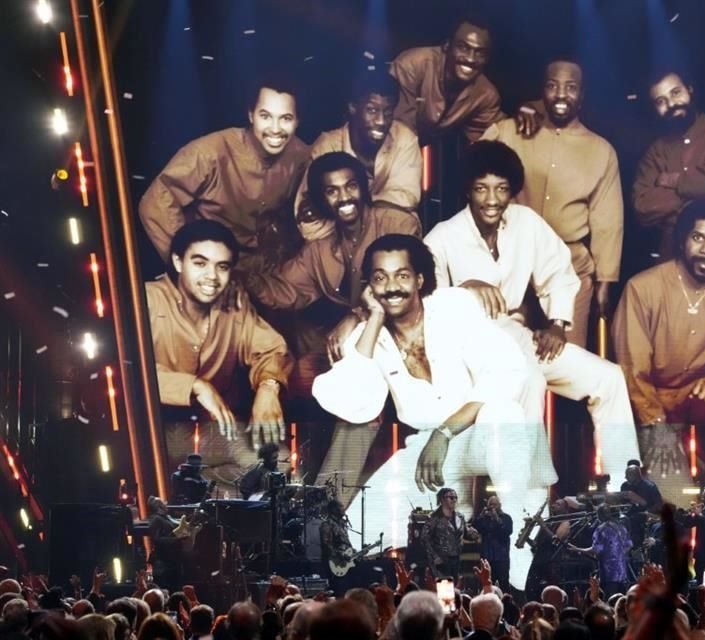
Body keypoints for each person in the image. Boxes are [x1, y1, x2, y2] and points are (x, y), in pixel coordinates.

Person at [310, 234, 556, 588]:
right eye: (380, 278)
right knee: (355, 538)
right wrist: (373, 315)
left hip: (482, 435)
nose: (392, 287)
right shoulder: (367, 336)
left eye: (402, 275)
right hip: (430, 452)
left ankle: (517, 560)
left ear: (420, 279)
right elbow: (353, 402)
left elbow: (507, 371)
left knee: (505, 413)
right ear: (369, 286)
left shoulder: (454, 306)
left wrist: (445, 433)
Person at [424, 140, 640, 477]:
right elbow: (427, 305)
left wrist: (557, 323)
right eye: (482, 189)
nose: (492, 199)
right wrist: (466, 289)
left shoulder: (526, 222)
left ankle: (625, 485)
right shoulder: (444, 236)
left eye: (502, 189)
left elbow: (559, 272)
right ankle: (528, 498)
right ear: (468, 189)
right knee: (530, 380)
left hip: (518, 334)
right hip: (473, 350)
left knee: (608, 378)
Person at [243, 152, 421, 502]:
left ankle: (327, 508)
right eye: (332, 191)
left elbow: (409, 284)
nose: (344, 198)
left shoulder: (397, 222)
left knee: (361, 397)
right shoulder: (320, 250)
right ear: (321, 198)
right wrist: (239, 274)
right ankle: (303, 497)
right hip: (360, 347)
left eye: (351, 186)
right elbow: (284, 291)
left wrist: (355, 314)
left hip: (407, 343)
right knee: (300, 378)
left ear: (365, 187)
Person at [481, 57, 623, 347]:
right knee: (503, 352)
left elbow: (608, 221)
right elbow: (474, 178)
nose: (561, 95)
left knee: (567, 356)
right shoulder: (508, 131)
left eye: (570, 88)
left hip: (570, 268)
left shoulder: (601, 151)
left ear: (581, 96)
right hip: (509, 260)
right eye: (552, 86)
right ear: (541, 91)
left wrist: (604, 283)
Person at [147, 220, 292, 484]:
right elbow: (125, 370)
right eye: (200, 263)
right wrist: (195, 386)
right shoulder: (146, 299)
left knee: (277, 464)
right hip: (150, 436)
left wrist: (269, 387)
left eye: (221, 267)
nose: (212, 277)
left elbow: (271, 348)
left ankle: (202, 487)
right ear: (179, 263)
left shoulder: (234, 305)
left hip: (209, 432)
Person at [612, 199, 705, 477]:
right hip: (645, 405)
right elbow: (632, 371)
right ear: (682, 240)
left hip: (693, 402)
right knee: (674, 499)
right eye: (699, 238)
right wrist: (659, 428)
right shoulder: (642, 288)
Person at [139, 81, 310, 266]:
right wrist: (187, 263)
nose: (275, 129)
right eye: (265, 116)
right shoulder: (210, 152)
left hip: (259, 268)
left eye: (286, 118)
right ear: (251, 115)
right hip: (211, 266)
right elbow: (155, 203)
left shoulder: (300, 155)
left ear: (297, 122)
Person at [632, 66, 705, 278]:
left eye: (676, 92)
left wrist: (675, 181)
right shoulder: (656, 151)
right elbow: (642, 206)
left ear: (690, 89)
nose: (671, 104)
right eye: (661, 101)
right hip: (670, 262)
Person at [296, 70, 421, 224]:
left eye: (388, 112)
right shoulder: (326, 146)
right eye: (372, 110)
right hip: (335, 241)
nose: (381, 121)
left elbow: (408, 198)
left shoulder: (404, 138)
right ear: (353, 107)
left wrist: (357, 203)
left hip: (388, 236)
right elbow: (307, 215)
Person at [390, 16, 506, 143]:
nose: (471, 59)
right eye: (463, 47)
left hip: (435, 151)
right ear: (446, 45)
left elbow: (501, 133)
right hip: (393, 149)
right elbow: (400, 130)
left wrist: (528, 108)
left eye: (480, 53)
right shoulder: (413, 65)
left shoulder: (486, 94)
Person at [567, 503, 633, 598]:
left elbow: (595, 550)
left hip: (608, 574)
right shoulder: (621, 527)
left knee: (610, 599)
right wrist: (620, 556)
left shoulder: (601, 530)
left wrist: (577, 549)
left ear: (599, 515)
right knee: (621, 599)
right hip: (622, 573)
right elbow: (630, 545)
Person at [423, 488, 476, 580]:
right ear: (442, 499)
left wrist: (473, 533)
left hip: (457, 558)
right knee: (445, 588)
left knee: (456, 586)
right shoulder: (434, 517)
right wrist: (434, 557)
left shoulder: (460, 516)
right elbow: (425, 539)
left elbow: (465, 532)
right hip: (441, 560)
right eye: (451, 497)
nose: (454, 500)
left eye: (456, 497)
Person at [473, 495, 513, 589]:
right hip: (487, 557)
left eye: (495, 504)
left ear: (500, 505)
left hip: (501, 557)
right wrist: (481, 516)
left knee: (504, 583)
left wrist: (497, 518)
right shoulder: (484, 519)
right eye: (490, 504)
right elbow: (475, 528)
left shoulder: (506, 518)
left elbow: (507, 531)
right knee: (487, 583)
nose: (492, 507)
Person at [620, 463, 662, 549]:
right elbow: (621, 502)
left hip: (644, 520)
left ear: (635, 476)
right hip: (628, 519)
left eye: (628, 475)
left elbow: (658, 503)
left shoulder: (650, 487)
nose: (625, 478)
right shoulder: (625, 486)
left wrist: (646, 509)